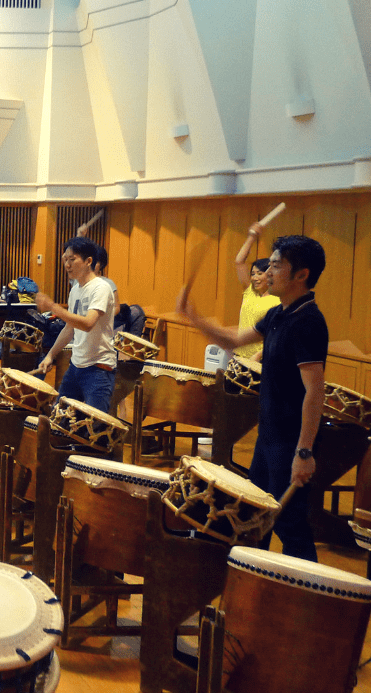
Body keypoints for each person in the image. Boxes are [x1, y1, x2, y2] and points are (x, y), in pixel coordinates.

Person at [176, 235, 325, 561]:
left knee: (290, 526)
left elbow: (315, 392)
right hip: (269, 436)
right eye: (268, 264)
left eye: (275, 265)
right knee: (255, 515)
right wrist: (195, 317)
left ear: (301, 274)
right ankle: (256, 586)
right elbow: (234, 339)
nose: (267, 272)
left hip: (290, 442)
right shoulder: (279, 314)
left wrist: (304, 451)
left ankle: (308, 602)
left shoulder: (308, 321)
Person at [34, 237, 117, 412]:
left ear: (88, 261)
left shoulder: (101, 288)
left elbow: (88, 324)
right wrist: (50, 355)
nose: (67, 265)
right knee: (61, 419)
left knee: (95, 429)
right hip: (76, 367)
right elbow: (69, 328)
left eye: (72, 259)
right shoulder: (75, 290)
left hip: (98, 369)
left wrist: (53, 307)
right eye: (65, 260)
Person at [233, 223, 280, 361]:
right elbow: (239, 261)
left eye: (259, 273)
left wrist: (258, 356)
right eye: (252, 274)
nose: (254, 278)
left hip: (258, 360)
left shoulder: (277, 301)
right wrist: (252, 236)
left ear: (270, 274)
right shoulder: (250, 292)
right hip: (239, 356)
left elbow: (275, 335)